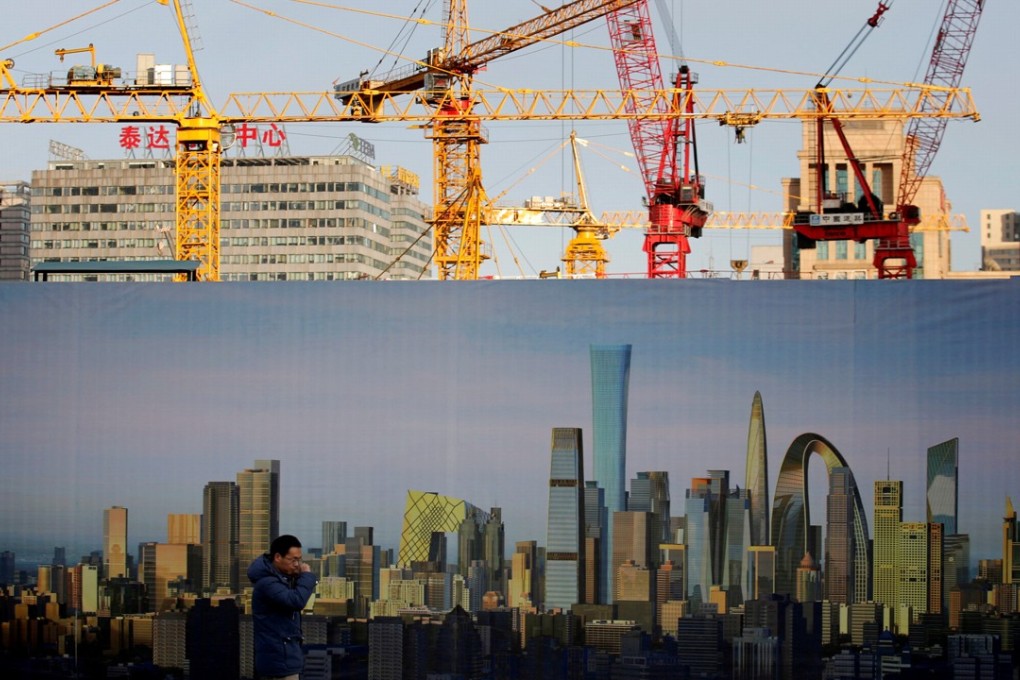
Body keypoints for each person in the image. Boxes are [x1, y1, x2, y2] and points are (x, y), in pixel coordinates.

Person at [248, 534, 317, 680]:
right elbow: (296, 600)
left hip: (284, 659)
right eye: (293, 560)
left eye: (299, 560)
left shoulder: (279, 579)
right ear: (278, 557)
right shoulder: (267, 583)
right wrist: (307, 576)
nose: (297, 564)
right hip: (279, 663)